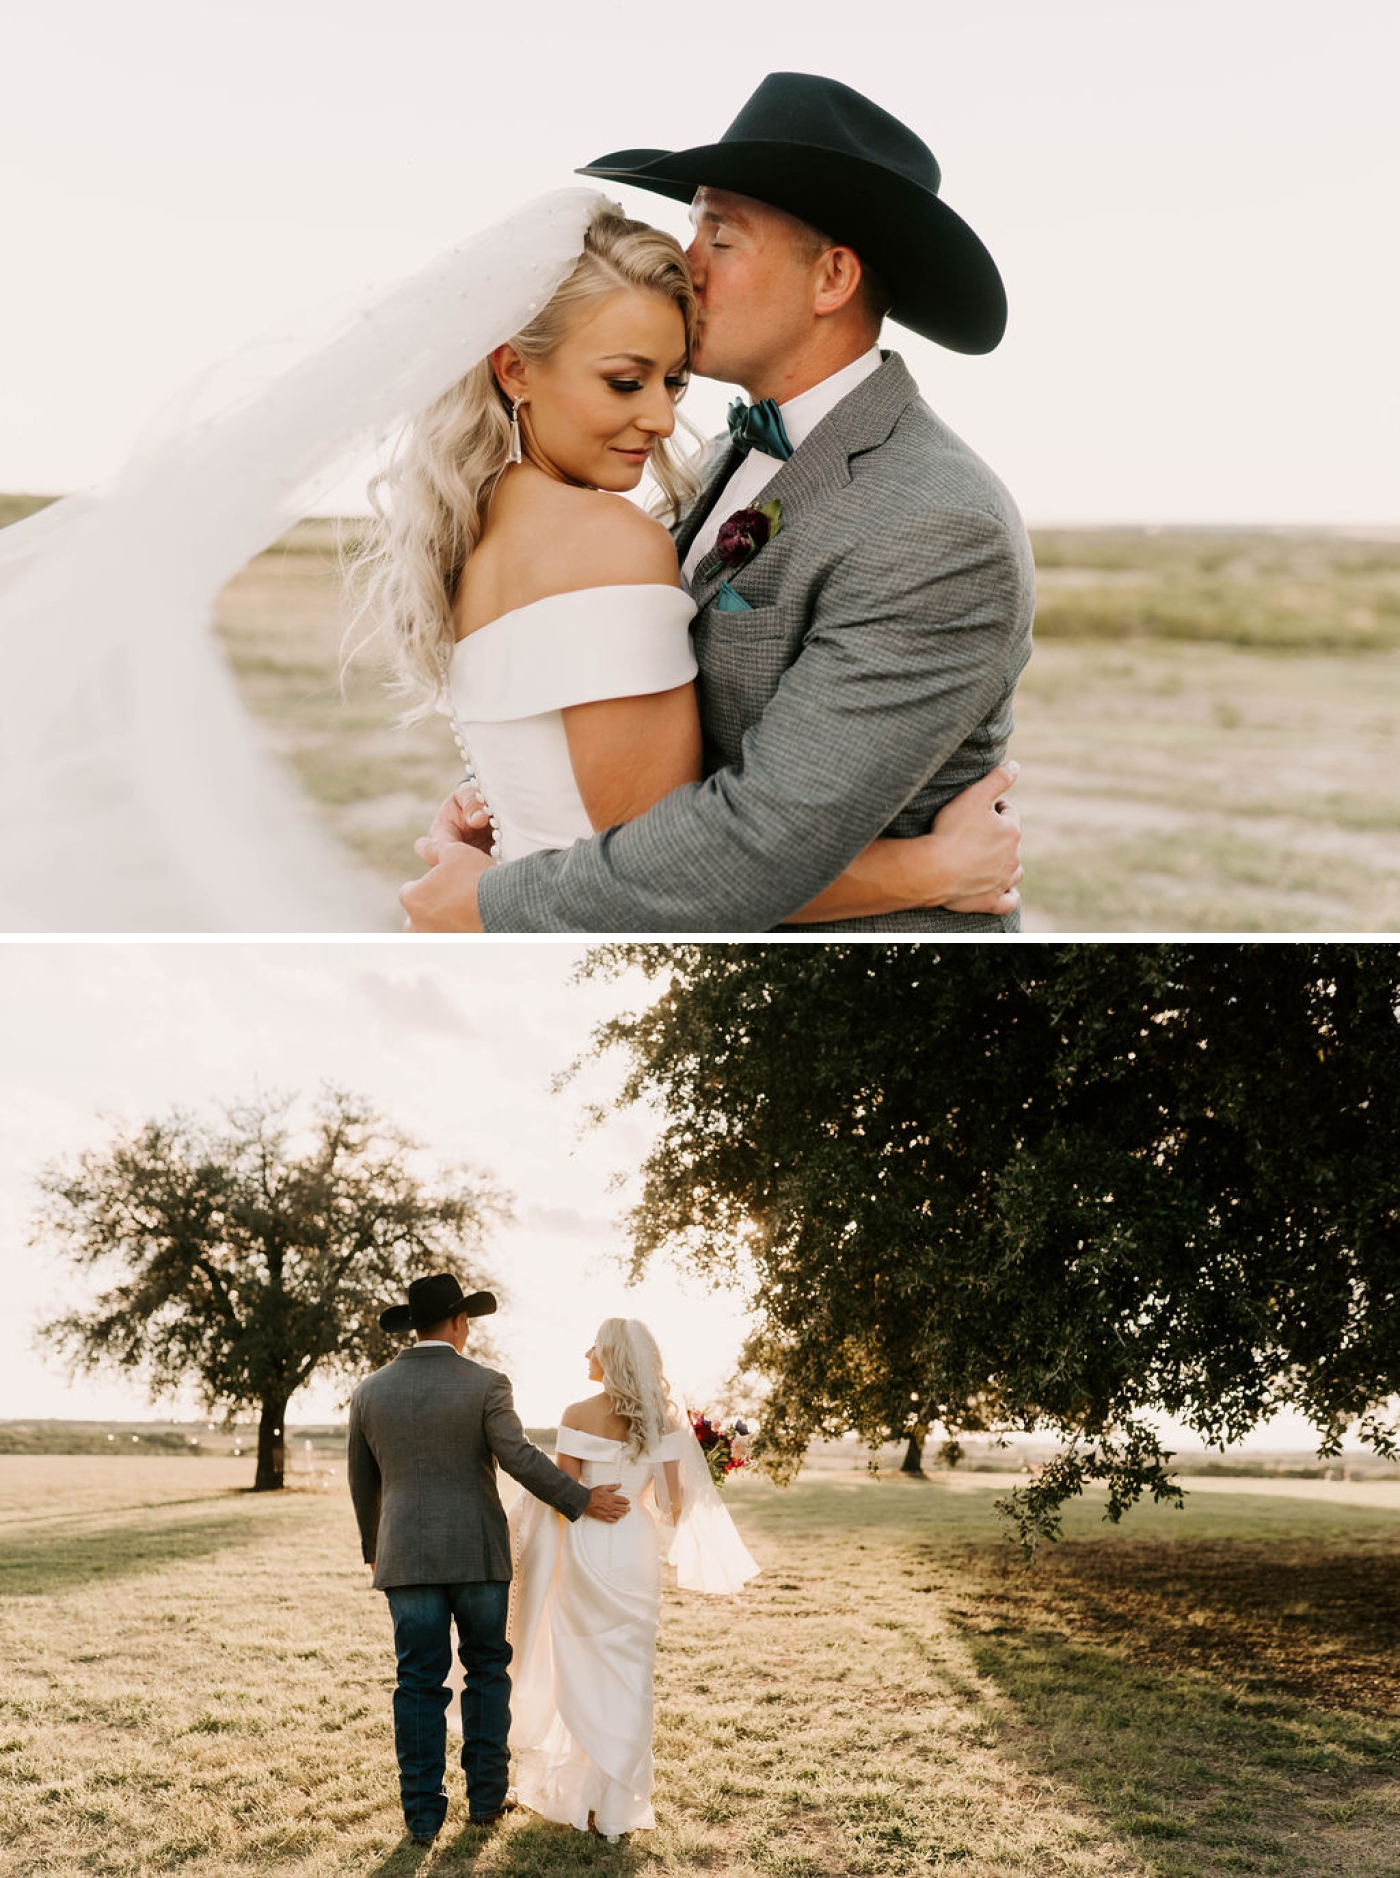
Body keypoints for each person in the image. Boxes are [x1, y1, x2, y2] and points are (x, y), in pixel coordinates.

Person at [400, 70, 1034, 934]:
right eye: (694, 220)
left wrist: (493, 899)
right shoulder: (719, 456)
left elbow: (758, 844)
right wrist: (522, 796)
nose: (686, 265)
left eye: (720, 236)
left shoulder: (935, 522)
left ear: (832, 278)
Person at [345, 1273, 630, 1845]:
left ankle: (422, 1814)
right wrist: (580, 1499)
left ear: (414, 1326)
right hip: (477, 1553)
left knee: (417, 1682)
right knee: (486, 1671)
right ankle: (485, 1799)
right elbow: (519, 1458)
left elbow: (361, 1480)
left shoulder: (369, 1391)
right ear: (457, 1323)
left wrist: (376, 1550)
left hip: (406, 1559)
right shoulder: (486, 1384)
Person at [504, 1318, 759, 1841]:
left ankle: (585, 1797)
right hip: (636, 1549)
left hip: (584, 1545)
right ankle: (614, 1807)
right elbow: (672, 1505)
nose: (585, 1354)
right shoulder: (664, 1418)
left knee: (582, 1665)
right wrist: (687, 1470)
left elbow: (561, 1490)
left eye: (593, 1347)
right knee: (632, 1674)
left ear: (612, 1357)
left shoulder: (576, 1413)